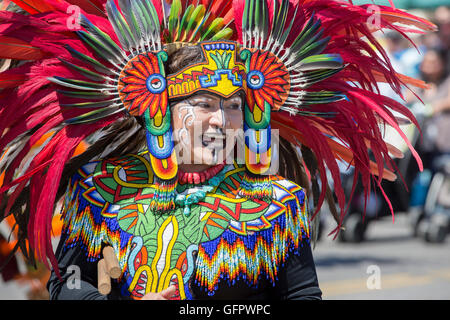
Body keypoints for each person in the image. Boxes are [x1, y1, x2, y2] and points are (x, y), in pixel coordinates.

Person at [0, 0, 435, 300]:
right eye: (204, 104)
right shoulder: (100, 190)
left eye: (232, 106)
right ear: (159, 109)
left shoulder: (276, 202)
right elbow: (68, 284)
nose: (221, 120)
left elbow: (302, 293)